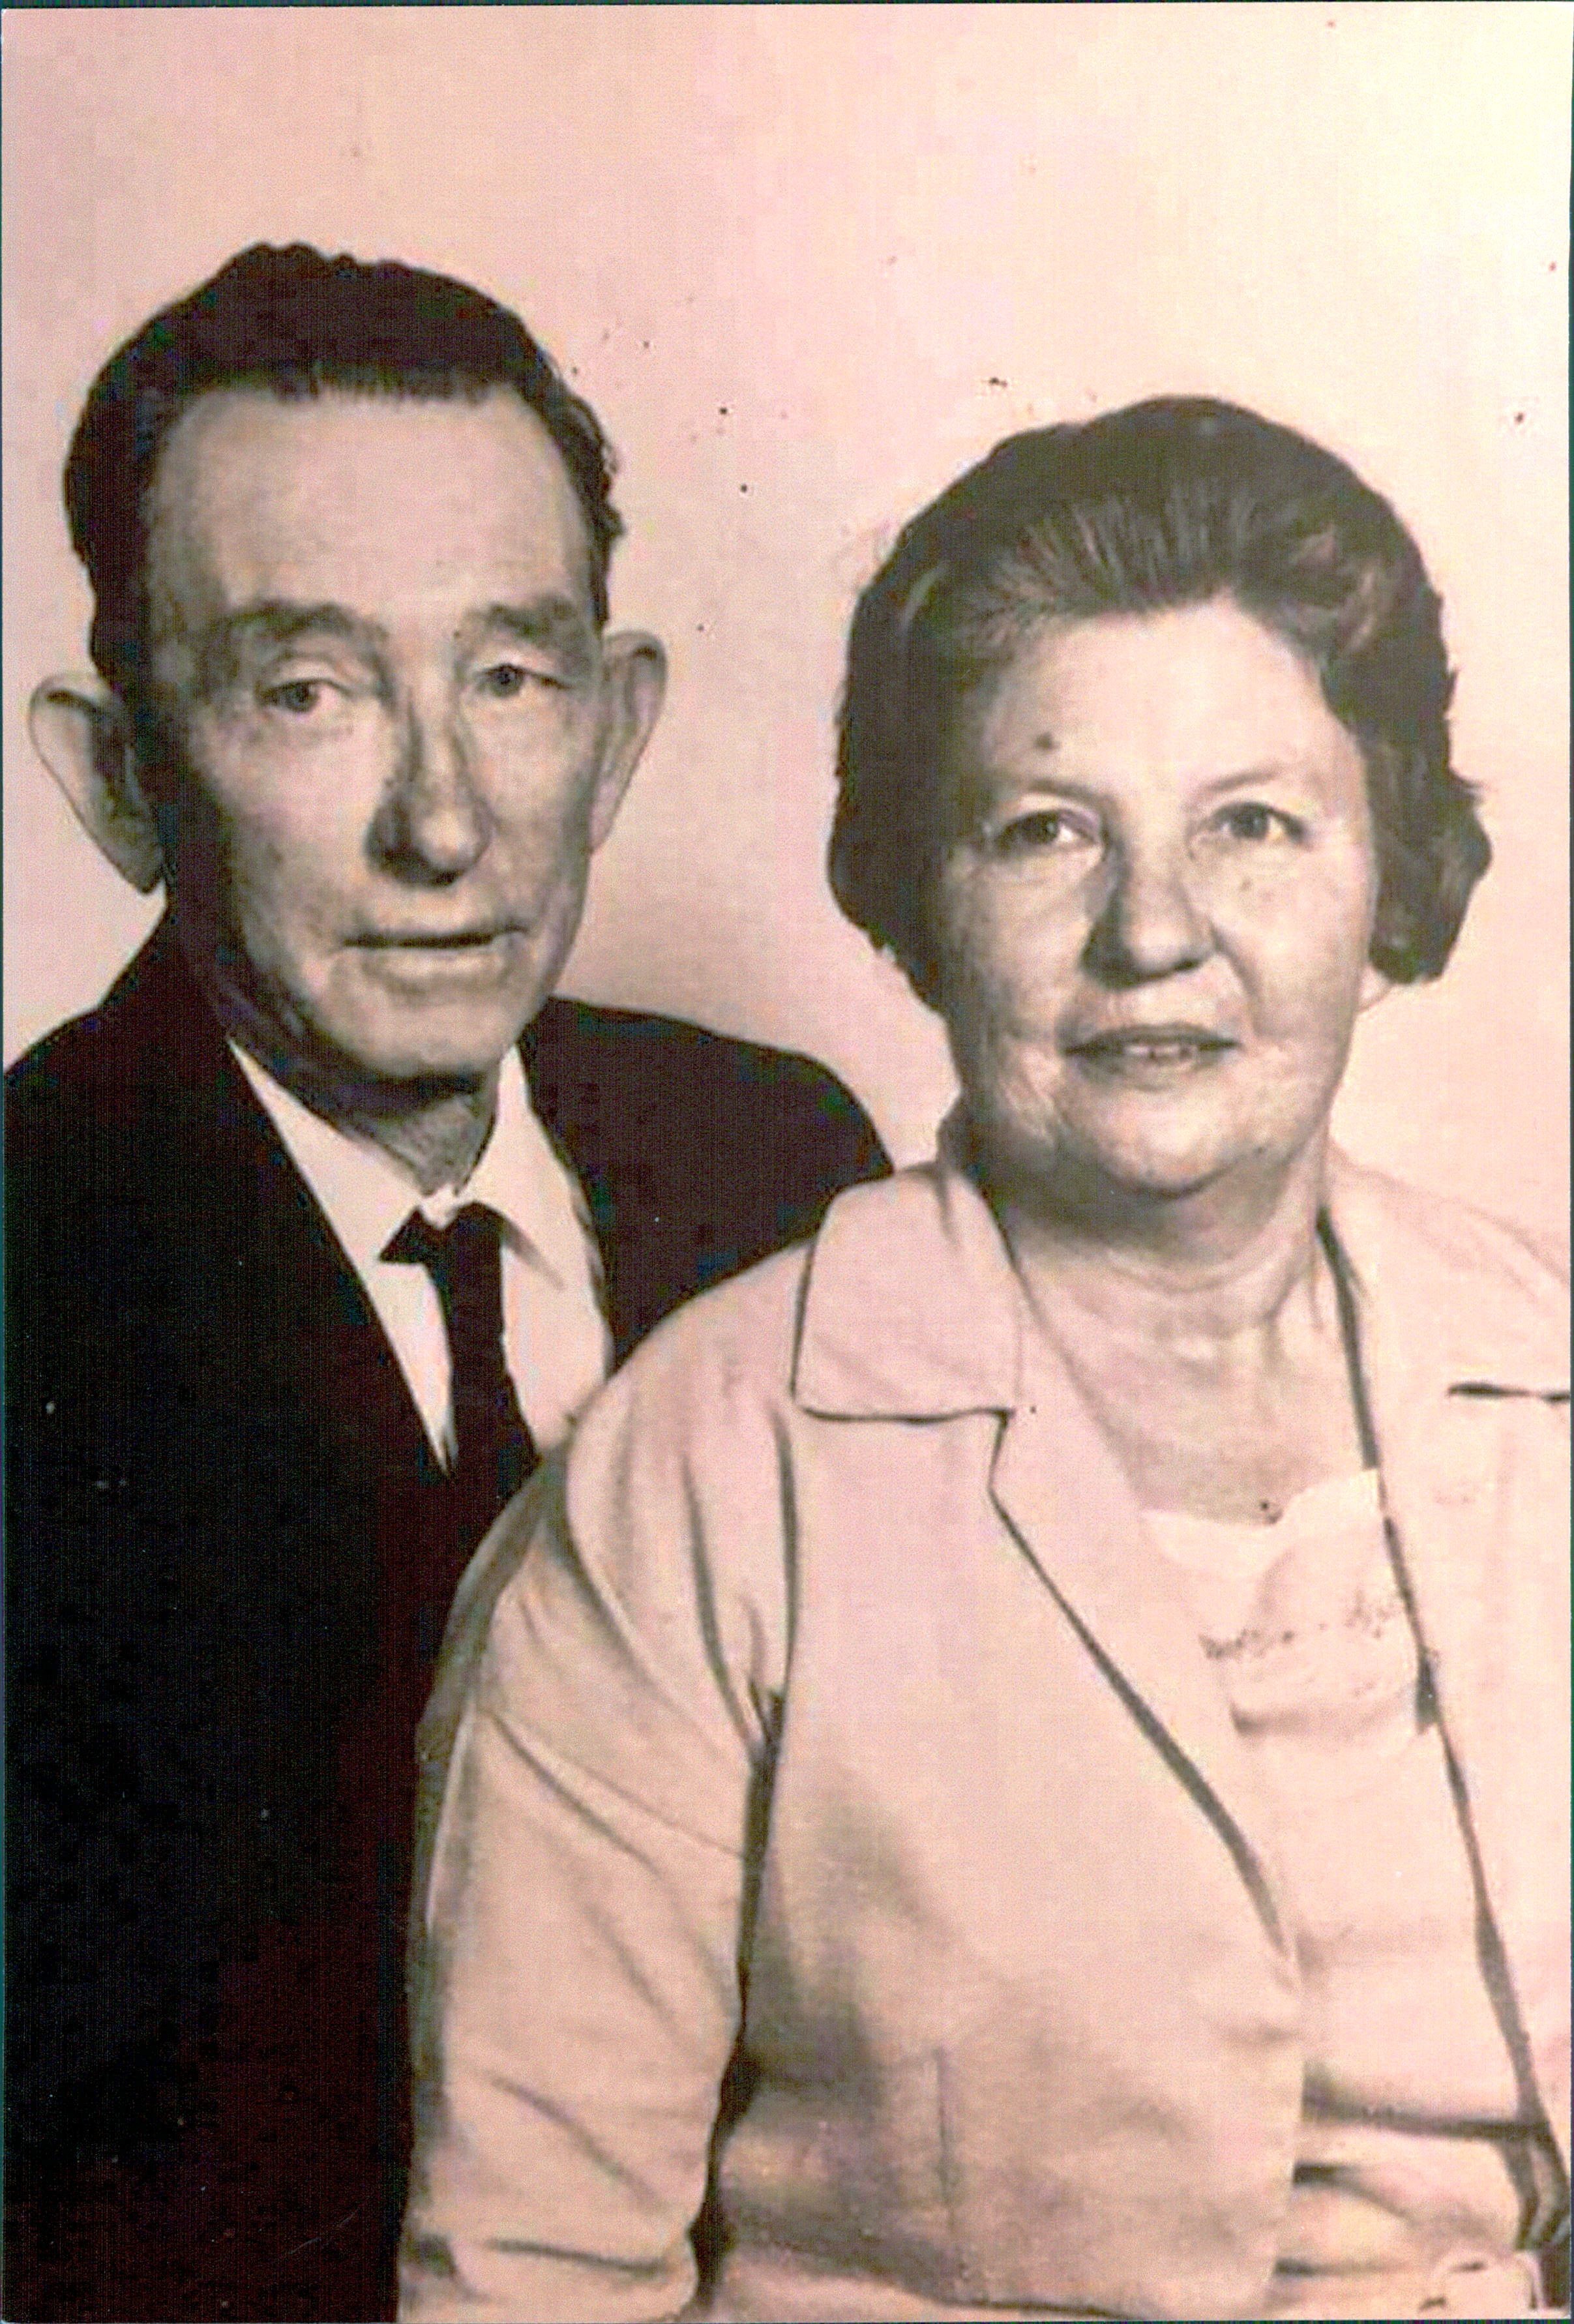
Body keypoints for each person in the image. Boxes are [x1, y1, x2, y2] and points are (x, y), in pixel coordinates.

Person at [402, 398, 1569, 2322]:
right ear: (917, 909)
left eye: (1254, 825)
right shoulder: (700, 1471)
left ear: (1393, 885)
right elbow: (529, 2276)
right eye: (1046, 833)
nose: (1155, 932)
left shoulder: (1549, 1378)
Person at [4, 244, 887, 2324]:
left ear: (620, 722)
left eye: (510, 679)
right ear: (119, 774)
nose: (444, 822)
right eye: (308, 692)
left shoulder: (785, 1168)